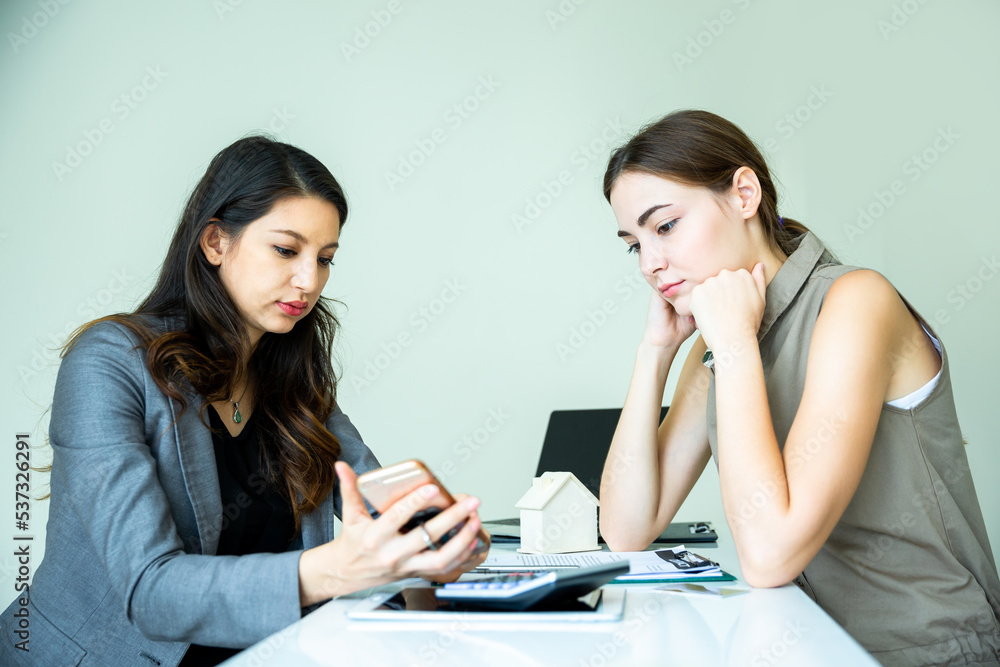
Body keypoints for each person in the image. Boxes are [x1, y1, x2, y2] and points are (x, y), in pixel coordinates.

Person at [0, 136, 488, 666]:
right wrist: (339, 568)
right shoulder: (109, 361)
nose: (309, 281)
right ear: (215, 242)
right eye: (285, 250)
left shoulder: (290, 373)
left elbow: (377, 497)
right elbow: (150, 590)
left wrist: (439, 540)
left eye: (325, 259)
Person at [598, 109, 1000, 666]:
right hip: (812, 645)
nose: (650, 263)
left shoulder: (857, 301)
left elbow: (767, 556)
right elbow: (624, 531)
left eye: (664, 226)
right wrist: (655, 352)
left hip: (926, 649)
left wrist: (733, 343)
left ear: (743, 195)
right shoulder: (717, 340)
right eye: (632, 244)